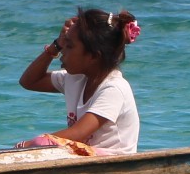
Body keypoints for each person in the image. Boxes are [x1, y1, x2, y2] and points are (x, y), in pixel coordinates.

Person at [16, 8, 142, 155]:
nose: (63, 51)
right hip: (84, 156)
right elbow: (29, 81)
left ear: (94, 56)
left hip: (110, 162)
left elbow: (78, 132)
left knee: (41, 143)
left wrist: (30, 144)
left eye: (69, 46)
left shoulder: (114, 89)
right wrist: (55, 46)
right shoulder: (75, 79)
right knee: (42, 143)